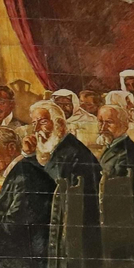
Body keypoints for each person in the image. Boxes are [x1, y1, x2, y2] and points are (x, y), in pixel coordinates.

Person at [0, 125, 54, 268]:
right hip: (30, 258)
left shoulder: (24, 177)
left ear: (11, 148)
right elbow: (12, 199)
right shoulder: (24, 170)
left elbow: (12, 227)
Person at [30, 100, 102, 233]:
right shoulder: (64, 149)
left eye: (43, 122)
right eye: (34, 124)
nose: (36, 130)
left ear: (60, 125)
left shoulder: (72, 153)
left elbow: (53, 193)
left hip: (76, 227)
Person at [94, 104, 134, 176]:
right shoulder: (113, 146)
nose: (103, 127)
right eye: (100, 121)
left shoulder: (126, 154)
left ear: (124, 126)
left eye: (109, 122)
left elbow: (116, 184)